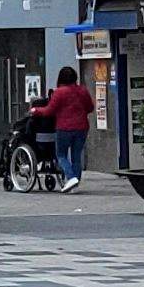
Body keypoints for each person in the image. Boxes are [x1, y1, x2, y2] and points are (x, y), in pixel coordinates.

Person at [45, 63, 94, 192]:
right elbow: (90, 108)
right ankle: (75, 184)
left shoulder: (59, 92)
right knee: (76, 155)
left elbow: (49, 110)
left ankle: (71, 177)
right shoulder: (82, 90)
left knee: (61, 155)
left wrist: (35, 110)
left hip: (64, 128)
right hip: (82, 127)